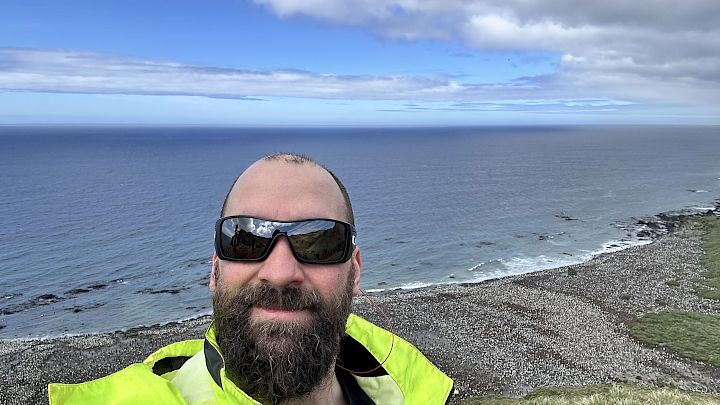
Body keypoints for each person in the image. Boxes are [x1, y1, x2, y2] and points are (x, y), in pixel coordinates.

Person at [49, 153, 453, 404]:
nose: (279, 273)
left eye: (320, 243)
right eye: (245, 240)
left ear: (355, 272)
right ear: (214, 270)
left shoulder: (413, 389)